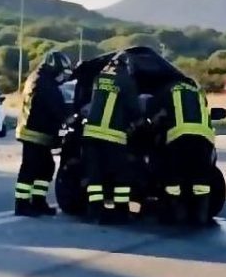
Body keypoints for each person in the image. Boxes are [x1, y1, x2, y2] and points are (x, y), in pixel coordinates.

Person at [82, 52, 142, 223]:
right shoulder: (126, 81)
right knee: (121, 175)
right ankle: (121, 211)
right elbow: (134, 109)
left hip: (91, 134)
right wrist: (139, 123)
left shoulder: (99, 78)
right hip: (113, 136)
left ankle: (94, 211)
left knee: (95, 175)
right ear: (127, 66)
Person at [148, 79, 217, 227]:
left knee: (174, 176)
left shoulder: (168, 89)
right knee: (201, 179)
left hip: (180, 137)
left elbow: (152, 110)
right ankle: (200, 216)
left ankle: (173, 215)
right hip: (204, 138)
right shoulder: (198, 92)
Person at [14, 51, 73, 217]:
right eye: (63, 72)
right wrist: (70, 117)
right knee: (30, 169)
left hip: (36, 132)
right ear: (55, 67)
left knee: (45, 168)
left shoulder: (39, 78)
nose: (63, 77)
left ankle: (38, 201)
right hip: (35, 133)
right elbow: (56, 108)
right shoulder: (44, 83)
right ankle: (22, 204)